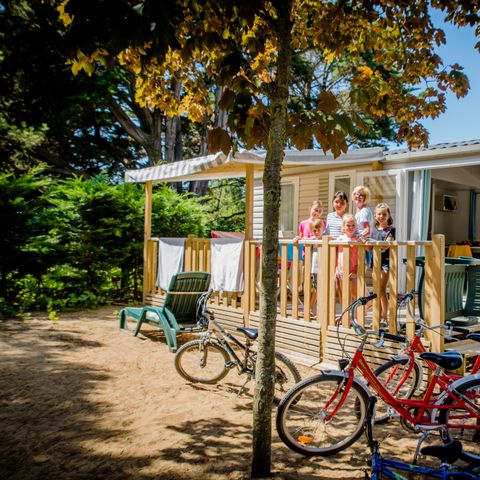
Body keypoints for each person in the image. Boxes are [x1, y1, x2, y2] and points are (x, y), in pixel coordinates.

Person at [369, 202, 396, 323]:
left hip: (385, 262)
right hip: (375, 262)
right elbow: (368, 248)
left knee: (381, 289)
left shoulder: (391, 230)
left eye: (384, 214)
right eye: (379, 214)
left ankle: (384, 316)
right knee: (376, 289)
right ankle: (377, 316)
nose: (381, 216)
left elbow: (386, 245)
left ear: (388, 215)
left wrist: (373, 243)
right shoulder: (374, 231)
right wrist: (365, 241)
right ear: (375, 216)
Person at [336, 214, 364, 304]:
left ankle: (361, 310)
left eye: (353, 225)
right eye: (348, 225)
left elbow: (361, 254)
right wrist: (336, 268)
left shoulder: (358, 239)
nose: (351, 227)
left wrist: (357, 269)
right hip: (341, 271)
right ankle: (346, 312)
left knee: (355, 293)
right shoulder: (340, 239)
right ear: (343, 227)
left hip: (353, 270)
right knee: (344, 295)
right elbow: (336, 253)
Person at [352, 185, 373, 266]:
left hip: (363, 245)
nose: (358, 196)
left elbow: (367, 230)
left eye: (361, 195)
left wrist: (356, 239)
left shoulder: (364, 211)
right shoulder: (360, 211)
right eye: (356, 194)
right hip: (360, 244)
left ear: (365, 198)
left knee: (360, 271)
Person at [309, 218, 323, 314]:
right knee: (316, 288)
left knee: (321, 289)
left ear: (323, 229)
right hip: (315, 268)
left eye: (319, 230)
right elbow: (304, 240)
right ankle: (311, 308)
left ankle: (317, 309)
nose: (317, 232)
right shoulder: (312, 240)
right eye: (314, 231)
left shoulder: (325, 239)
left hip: (324, 267)